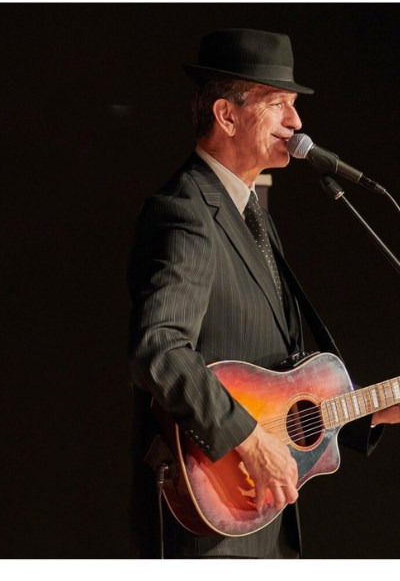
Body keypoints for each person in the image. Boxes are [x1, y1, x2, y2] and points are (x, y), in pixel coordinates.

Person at [128, 28, 400, 558]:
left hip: (262, 519)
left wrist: (370, 413)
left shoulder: (254, 216)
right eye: (278, 104)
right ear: (227, 115)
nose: (296, 124)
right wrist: (248, 441)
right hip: (211, 527)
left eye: (294, 107)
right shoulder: (186, 212)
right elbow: (158, 348)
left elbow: (278, 380)